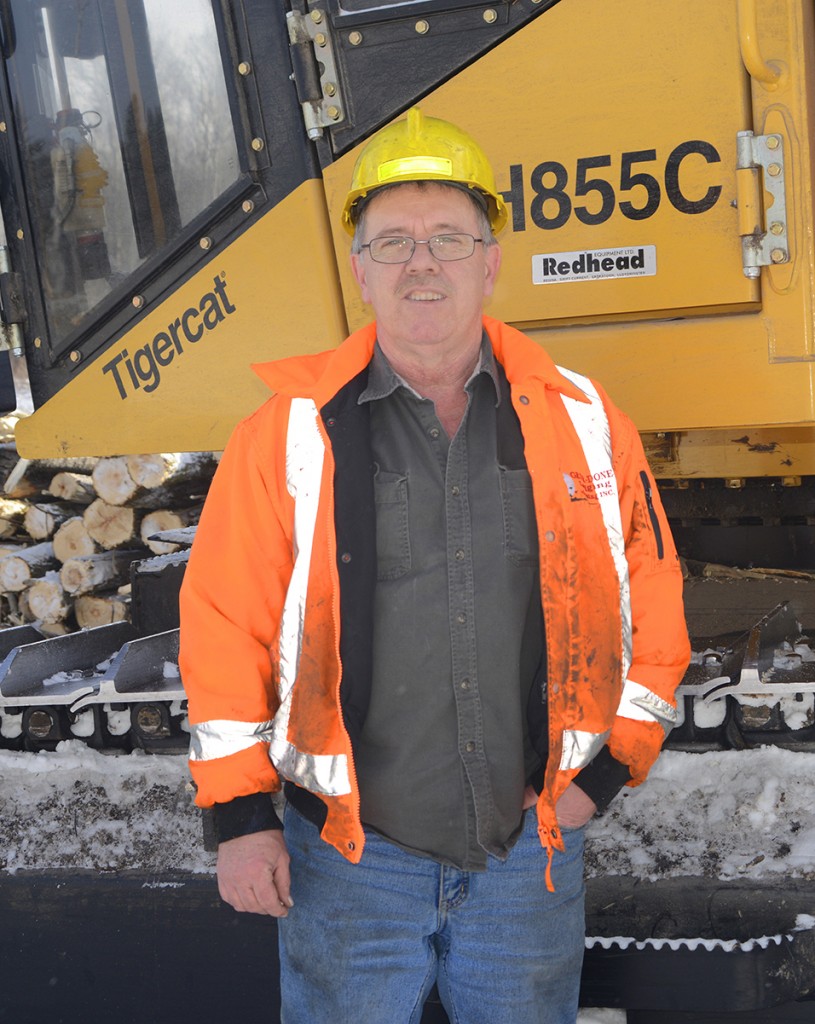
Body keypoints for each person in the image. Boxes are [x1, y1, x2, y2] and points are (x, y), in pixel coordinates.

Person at [179, 108, 691, 1024]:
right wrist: (243, 821)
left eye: (449, 238)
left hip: (528, 857)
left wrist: (605, 776)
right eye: (395, 242)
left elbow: (648, 597)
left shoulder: (581, 419)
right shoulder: (285, 434)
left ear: (489, 262)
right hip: (349, 863)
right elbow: (225, 626)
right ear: (361, 270)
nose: (423, 262)